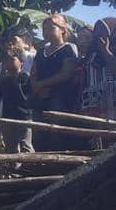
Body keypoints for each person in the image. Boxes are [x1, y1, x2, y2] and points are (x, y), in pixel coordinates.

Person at [31, 14, 80, 151]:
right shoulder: (41, 52)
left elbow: (66, 74)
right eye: (44, 28)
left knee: (56, 134)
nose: (46, 31)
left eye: (50, 28)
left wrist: (42, 84)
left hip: (60, 99)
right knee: (38, 134)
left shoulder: (69, 48)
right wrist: (36, 87)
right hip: (40, 98)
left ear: (62, 30)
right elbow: (33, 72)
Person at [81, 17, 116, 126]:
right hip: (93, 104)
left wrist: (105, 50)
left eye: (103, 32)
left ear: (113, 32)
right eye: (97, 33)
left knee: (113, 137)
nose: (100, 36)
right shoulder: (93, 54)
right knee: (93, 137)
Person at [0, 52, 34, 154]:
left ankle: (31, 166)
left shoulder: (25, 77)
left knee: (25, 145)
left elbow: (31, 96)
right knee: (10, 145)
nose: (9, 63)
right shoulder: (4, 81)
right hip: (8, 116)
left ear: (21, 62)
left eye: (13, 60)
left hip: (23, 116)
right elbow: (0, 100)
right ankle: (12, 167)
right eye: (7, 60)